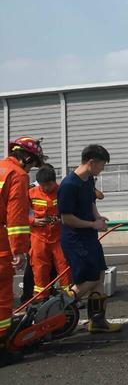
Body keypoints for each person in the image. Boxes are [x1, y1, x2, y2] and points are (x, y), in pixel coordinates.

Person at [58, 144, 122, 334]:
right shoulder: (69, 185)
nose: (102, 170)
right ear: (91, 162)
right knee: (90, 279)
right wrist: (92, 224)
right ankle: (60, 306)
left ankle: (98, 321)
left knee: (100, 275)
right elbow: (66, 218)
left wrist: (97, 218)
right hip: (75, 240)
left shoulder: (88, 180)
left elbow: (92, 203)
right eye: (101, 166)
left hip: (89, 238)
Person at [0, 136, 45, 343]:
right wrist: (18, 250)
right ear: (26, 158)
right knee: (2, 293)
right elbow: (15, 217)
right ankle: (3, 342)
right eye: (34, 163)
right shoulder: (17, 174)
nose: (32, 168)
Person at [29, 164, 71, 298]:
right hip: (38, 237)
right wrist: (33, 221)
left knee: (64, 265)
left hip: (59, 236)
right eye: (43, 185)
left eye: (48, 185)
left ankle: (68, 296)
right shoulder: (31, 193)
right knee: (39, 267)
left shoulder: (63, 191)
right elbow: (18, 212)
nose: (46, 188)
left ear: (54, 181)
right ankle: (41, 298)